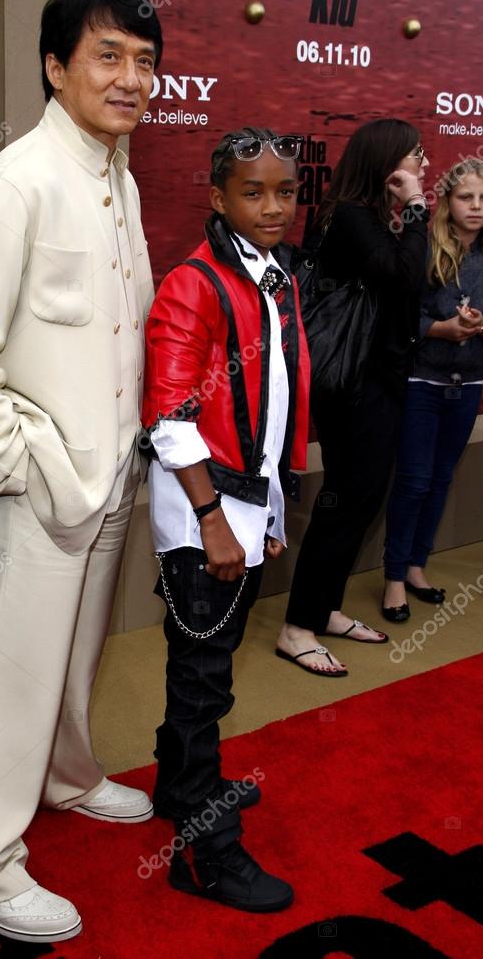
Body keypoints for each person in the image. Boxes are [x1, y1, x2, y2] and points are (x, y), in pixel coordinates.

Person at [0, 0, 162, 945]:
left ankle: (64, 774)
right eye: (108, 56)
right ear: (56, 67)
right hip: (42, 479)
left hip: (111, 472)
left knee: (73, 653)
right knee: (6, 676)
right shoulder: (13, 183)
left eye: (145, 59)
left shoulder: (119, 175)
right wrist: (15, 464)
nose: (131, 77)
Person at [141, 127, 310, 911]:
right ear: (217, 197)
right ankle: (205, 856)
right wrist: (212, 520)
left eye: (284, 190)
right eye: (254, 192)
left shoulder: (275, 277)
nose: (273, 206)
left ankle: (178, 787)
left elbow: (271, 411)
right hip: (200, 509)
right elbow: (170, 422)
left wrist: (270, 508)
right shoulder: (193, 284)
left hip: (246, 501)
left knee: (208, 664)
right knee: (203, 678)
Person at [274, 118, 430, 676]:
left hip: (378, 382)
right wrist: (415, 208)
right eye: (416, 157)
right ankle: (296, 629)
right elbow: (405, 275)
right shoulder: (350, 218)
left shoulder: (363, 218)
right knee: (345, 501)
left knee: (361, 500)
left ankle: (323, 609)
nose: (424, 167)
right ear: (387, 163)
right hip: (356, 387)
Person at [383, 157, 483, 618]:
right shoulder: (423, 248)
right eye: (466, 197)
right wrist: (439, 329)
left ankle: (415, 566)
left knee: (441, 479)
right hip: (423, 381)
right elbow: (398, 318)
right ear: (447, 200)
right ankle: (392, 580)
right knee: (414, 481)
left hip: (470, 383)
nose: (477, 207)